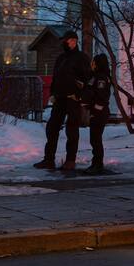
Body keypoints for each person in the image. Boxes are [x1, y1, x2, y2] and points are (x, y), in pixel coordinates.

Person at [33, 30, 92, 170]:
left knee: (72, 130)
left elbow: (87, 79)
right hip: (59, 98)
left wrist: (79, 95)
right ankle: (49, 159)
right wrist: (52, 93)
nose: (64, 43)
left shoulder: (81, 58)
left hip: (72, 99)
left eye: (66, 40)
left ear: (73, 41)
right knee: (52, 128)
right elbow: (56, 78)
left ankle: (70, 160)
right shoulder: (61, 58)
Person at [82, 53, 112, 175]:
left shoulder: (101, 78)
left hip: (99, 112)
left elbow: (101, 96)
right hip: (95, 111)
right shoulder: (95, 77)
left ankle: (98, 164)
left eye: (94, 63)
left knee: (96, 139)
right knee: (94, 139)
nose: (92, 65)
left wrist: (94, 108)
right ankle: (95, 163)